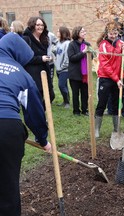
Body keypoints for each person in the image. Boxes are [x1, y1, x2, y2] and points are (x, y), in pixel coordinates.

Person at [0, 32, 51, 216]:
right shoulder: (22, 75)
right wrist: (43, 139)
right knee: (7, 187)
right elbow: (34, 113)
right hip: (7, 130)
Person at [94, 21, 124, 137]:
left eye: (115, 33)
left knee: (117, 103)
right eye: (111, 33)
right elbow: (105, 65)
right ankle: (96, 129)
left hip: (117, 79)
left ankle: (116, 129)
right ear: (107, 33)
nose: (113, 35)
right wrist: (116, 79)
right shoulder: (103, 45)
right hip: (105, 78)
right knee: (102, 102)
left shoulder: (121, 44)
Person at [23, 16, 55, 104]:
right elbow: (25, 58)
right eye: (38, 25)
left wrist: (48, 58)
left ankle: (41, 113)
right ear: (32, 26)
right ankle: (39, 116)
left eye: (42, 25)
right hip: (33, 74)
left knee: (51, 95)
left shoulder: (44, 38)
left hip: (44, 71)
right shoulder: (26, 39)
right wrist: (41, 58)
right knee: (37, 99)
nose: (40, 27)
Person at [67, 26, 90, 116]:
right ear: (77, 33)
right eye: (82, 32)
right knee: (75, 94)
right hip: (75, 74)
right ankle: (76, 111)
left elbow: (90, 58)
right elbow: (72, 58)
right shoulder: (72, 45)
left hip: (85, 74)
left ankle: (85, 110)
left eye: (85, 31)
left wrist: (90, 53)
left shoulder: (87, 44)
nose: (84, 33)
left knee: (85, 94)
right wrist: (83, 52)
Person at [55, 26, 71, 108]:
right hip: (58, 68)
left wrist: (62, 67)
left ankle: (67, 102)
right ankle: (65, 101)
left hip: (64, 69)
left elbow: (67, 58)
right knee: (64, 85)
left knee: (61, 85)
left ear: (63, 33)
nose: (57, 33)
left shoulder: (67, 43)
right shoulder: (58, 42)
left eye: (58, 31)